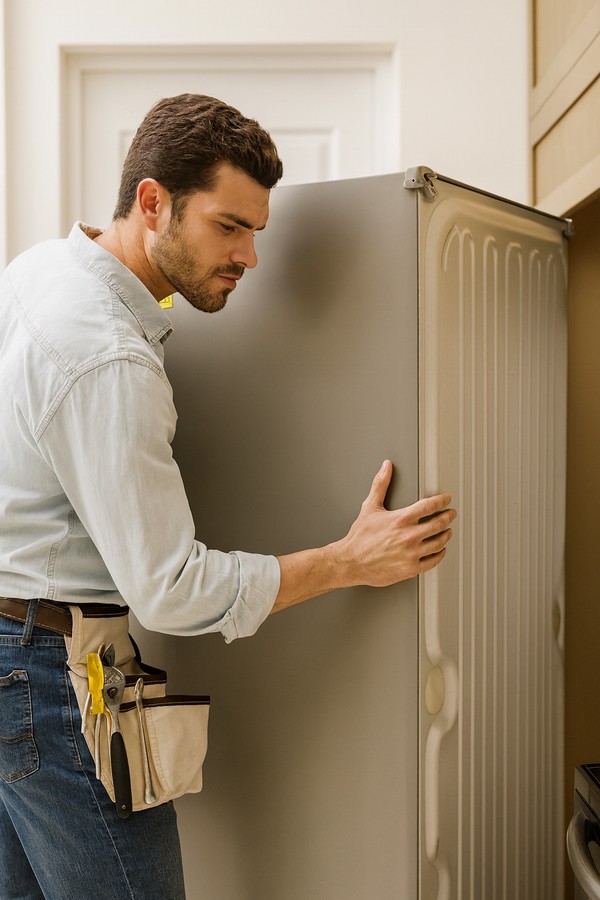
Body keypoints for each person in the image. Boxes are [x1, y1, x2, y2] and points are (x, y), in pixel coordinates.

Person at [0, 94, 456, 899]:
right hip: (48, 677)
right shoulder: (108, 356)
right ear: (152, 202)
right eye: (227, 226)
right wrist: (348, 562)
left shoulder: (39, 268)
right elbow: (169, 589)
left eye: (256, 231)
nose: (249, 256)